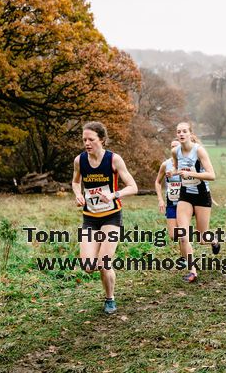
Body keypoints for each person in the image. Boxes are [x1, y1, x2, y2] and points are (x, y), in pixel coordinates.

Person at [72, 121, 138, 314]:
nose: (87, 143)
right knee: (88, 266)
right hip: (90, 218)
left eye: (91, 139)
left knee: (103, 263)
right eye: (84, 139)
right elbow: (76, 182)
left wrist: (114, 195)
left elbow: (133, 187)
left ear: (101, 139)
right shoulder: (80, 160)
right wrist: (78, 194)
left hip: (111, 217)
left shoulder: (114, 160)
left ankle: (110, 298)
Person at [170, 122, 218, 283]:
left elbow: (212, 175)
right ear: (176, 135)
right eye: (179, 132)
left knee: (202, 237)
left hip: (202, 195)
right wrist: (174, 173)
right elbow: (178, 170)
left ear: (190, 133)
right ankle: (192, 271)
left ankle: (214, 240)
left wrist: (194, 174)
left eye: (184, 131)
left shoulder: (199, 150)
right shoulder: (175, 151)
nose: (181, 134)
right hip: (185, 195)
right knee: (183, 236)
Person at [154, 139, 182, 243]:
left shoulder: (187, 163)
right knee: (173, 236)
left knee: (182, 233)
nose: (174, 149)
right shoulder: (165, 164)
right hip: (171, 202)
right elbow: (157, 182)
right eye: (172, 147)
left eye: (177, 146)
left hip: (185, 202)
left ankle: (185, 257)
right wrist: (160, 200)